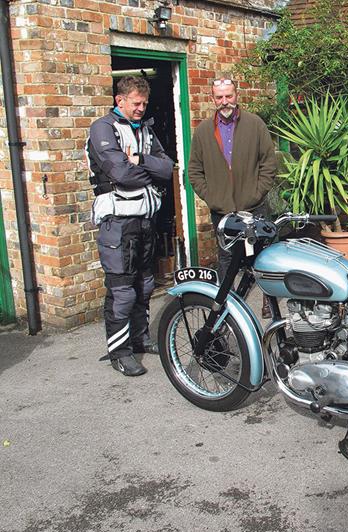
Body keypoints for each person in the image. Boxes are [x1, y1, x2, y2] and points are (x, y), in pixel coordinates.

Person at [86, 76, 174, 376]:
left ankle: (139, 338)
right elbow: (122, 175)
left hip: (145, 221)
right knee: (122, 291)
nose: (141, 108)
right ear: (119, 100)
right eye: (136, 103)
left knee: (145, 285)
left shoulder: (145, 129)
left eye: (144, 103)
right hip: (118, 223)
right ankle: (119, 352)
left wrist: (138, 159)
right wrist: (145, 169)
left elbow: (167, 168)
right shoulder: (103, 128)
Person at [188, 77, 281, 283]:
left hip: (254, 206)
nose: (225, 101)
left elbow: (269, 163)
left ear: (236, 96)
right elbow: (194, 170)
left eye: (229, 96)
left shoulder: (255, 124)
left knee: (260, 255)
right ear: (213, 99)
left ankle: (268, 301)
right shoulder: (203, 131)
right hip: (222, 210)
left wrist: (256, 193)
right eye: (219, 97)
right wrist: (212, 198)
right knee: (226, 257)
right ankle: (224, 306)